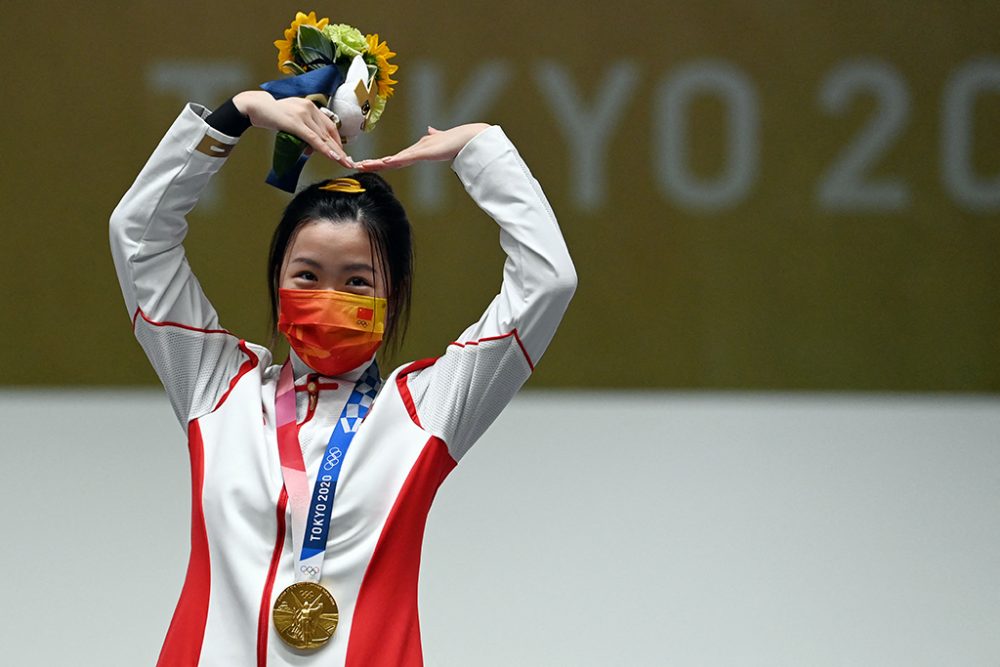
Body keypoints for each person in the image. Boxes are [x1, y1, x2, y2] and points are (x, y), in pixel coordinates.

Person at [110, 89, 576, 666]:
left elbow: (547, 282)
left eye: (356, 282)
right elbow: (139, 240)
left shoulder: (423, 412)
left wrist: (478, 152)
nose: (327, 297)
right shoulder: (218, 389)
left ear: (393, 294)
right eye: (306, 275)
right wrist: (238, 115)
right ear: (277, 280)